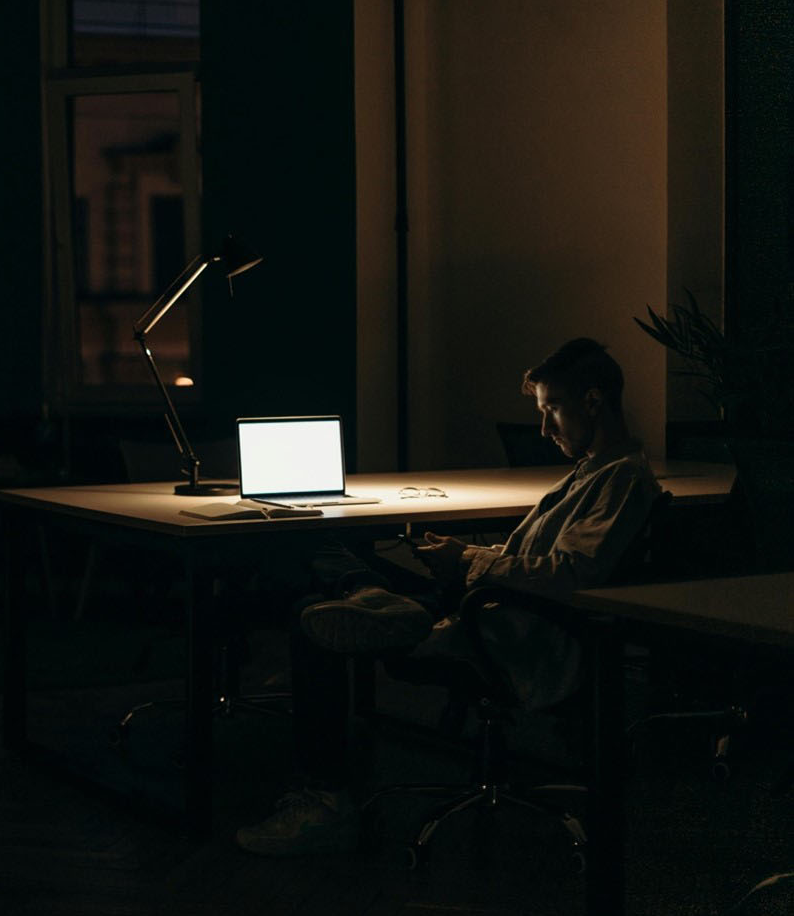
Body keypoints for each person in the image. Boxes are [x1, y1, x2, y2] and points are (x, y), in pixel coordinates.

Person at [235, 337, 662, 856]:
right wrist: (467, 552)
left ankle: (324, 800)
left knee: (308, 614)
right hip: (489, 602)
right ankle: (370, 593)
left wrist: (468, 562)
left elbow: (570, 574)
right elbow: (546, 557)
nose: (545, 429)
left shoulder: (621, 479)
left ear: (593, 402)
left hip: (503, 628)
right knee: (314, 536)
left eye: (552, 410)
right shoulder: (592, 472)